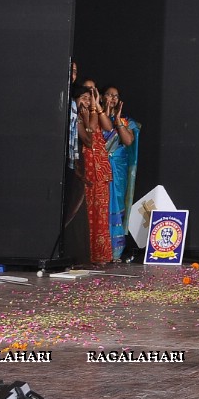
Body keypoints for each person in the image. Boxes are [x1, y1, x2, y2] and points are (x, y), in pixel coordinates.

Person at [75, 81, 113, 264]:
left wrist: (96, 105)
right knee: (89, 210)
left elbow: (108, 128)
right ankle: (90, 254)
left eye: (91, 95)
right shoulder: (79, 116)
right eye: (84, 96)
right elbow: (89, 139)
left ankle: (102, 254)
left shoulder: (93, 111)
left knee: (101, 210)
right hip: (87, 164)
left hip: (101, 165)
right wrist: (89, 113)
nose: (87, 100)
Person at [102, 86, 139, 261]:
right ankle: (99, 247)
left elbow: (128, 141)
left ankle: (114, 250)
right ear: (102, 97)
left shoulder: (125, 121)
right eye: (109, 94)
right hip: (100, 168)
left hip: (118, 169)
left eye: (115, 96)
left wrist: (117, 120)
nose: (112, 98)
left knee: (115, 201)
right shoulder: (97, 117)